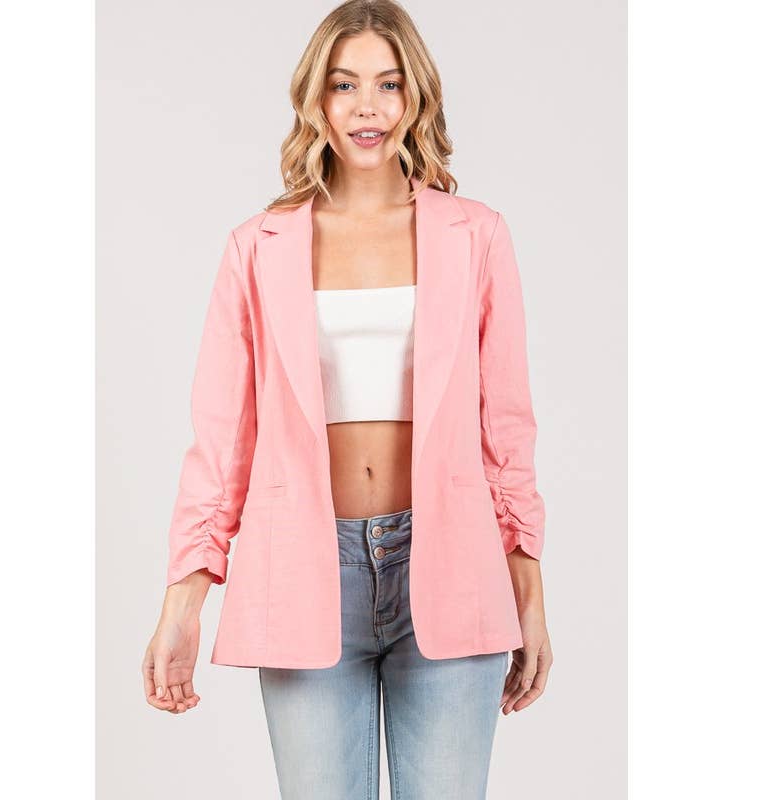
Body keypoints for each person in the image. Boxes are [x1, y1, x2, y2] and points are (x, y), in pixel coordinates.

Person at [142, 1, 552, 797]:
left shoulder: (476, 236)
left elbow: (507, 435)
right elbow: (221, 443)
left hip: (451, 564)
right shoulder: (258, 247)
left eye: (388, 84)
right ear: (316, 100)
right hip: (305, 568)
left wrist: (530, 598)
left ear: (416, 96)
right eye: (345, 85)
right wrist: (182, 604)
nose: (368, 107)